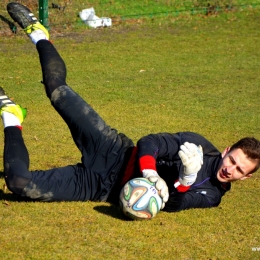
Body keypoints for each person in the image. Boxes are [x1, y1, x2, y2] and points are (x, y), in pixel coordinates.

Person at [1, 2, 260, 213]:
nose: (230, 169)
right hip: (112, 149)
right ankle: (38, 34)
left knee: (19, 183)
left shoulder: (212, 195)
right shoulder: (198, 145)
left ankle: (11, 117)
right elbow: (150, 141)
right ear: (227, 150)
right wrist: (150, 172)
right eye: (233, 160)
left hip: (100, 189)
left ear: (246, 178)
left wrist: (186, 181)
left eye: (239, 170)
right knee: (57, 90)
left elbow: (175, 205)